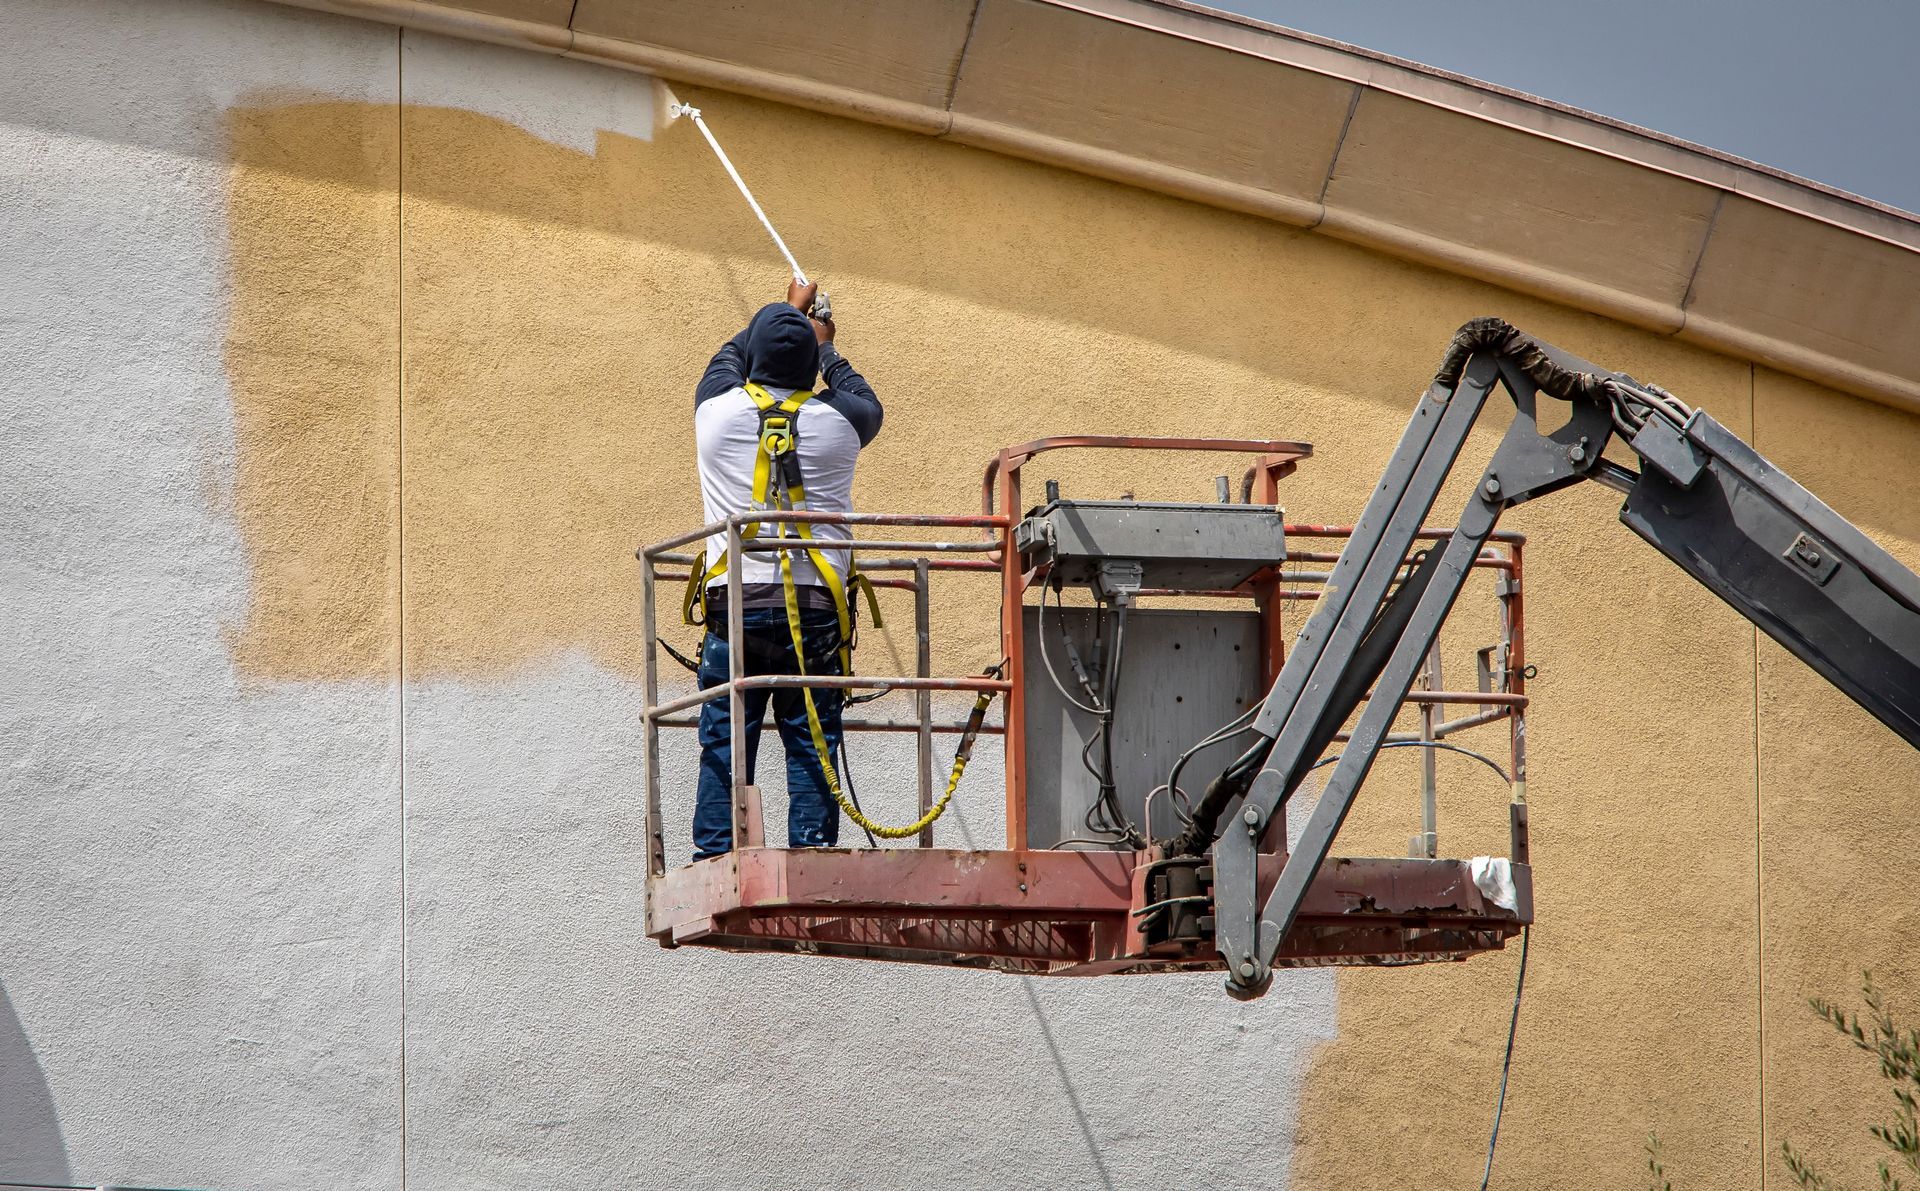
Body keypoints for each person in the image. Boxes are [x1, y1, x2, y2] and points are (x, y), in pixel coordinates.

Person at [688, 279, 882, 861]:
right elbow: (863, 397)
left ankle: (717, 852)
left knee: (725, 737)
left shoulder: (715, 414)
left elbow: (726, 360)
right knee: (812, 740)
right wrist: (822, 344)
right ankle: (814, 851)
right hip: (815, 610)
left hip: (736, 608)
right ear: (808, 366)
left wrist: (786, 311)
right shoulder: (841, 422)